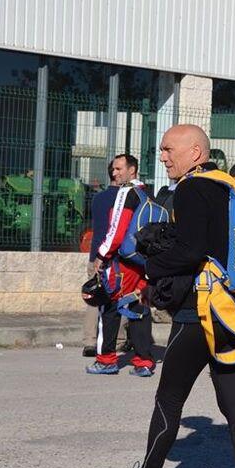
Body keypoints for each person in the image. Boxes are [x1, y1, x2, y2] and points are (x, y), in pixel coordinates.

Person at [96, 125, 235, 468]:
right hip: (234, 313)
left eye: (169, 149)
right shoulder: (233, 188)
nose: (164, 156)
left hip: (199, 313)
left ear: (195, 151)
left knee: (169, 399)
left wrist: (150, 270)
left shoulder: (192, 189)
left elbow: (191, 251)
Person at [86, 154, 156, 377]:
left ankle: (106, 360)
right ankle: (144, 361)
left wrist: (101, 255)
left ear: (132, 170)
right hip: (141, 262)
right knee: (139, 308)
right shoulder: (147, 193)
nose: (114, 173)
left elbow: (116, 230)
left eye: (118, 169)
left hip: (120, 263)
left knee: (109, 308)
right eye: (113, 169)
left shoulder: (126, 193)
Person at [81, 160, 119, 357]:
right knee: (119, 297)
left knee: (94, 297)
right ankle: (119, 339)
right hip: (116, 256)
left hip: (95, 254)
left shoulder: (98, 198)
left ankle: (89, 341)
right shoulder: (124, 198)